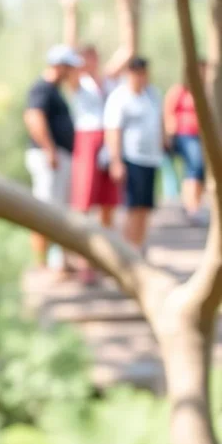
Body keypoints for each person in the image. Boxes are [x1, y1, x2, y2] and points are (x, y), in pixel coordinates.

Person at [69, 44, 128, 284]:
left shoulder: (111, 83)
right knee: (83, 204)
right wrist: (70, 11)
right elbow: (68, 49)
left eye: (94, 57)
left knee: (108, 204)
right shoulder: (78, 84)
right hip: (87, 139)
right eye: (86, 58)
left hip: (109, 141)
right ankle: (83, 261)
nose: (91, 62)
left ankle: (107, 259)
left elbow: (127, 50)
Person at [24, 44, 82, 279]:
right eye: (69, 67)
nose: (71, 72)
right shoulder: (42, 89)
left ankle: (59, 262)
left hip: (58, 157)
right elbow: (33, 117)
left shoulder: (55, 90)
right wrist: (49, 149)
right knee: (44, 209)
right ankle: (40, 263)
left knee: (58, 210)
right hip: (49, 157)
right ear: (59, 66)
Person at [104, 57, 164, 251]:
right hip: (131, 158)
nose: (140, 77)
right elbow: (113, 130)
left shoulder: (152, 94)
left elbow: (159, 121)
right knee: (132, 207)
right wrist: (116, 161)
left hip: (151, 158)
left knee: (145, 207)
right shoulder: (120, 97)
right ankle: (128, 251)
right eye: (136, 73)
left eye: (143, 73)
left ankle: (139, 247)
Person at [164, 59, 208, 225]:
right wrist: (169, 136)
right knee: (194, 166)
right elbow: (168, 112)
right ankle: (191, 206)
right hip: (184, 134)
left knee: (198, 170)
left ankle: (195, 204)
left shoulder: (206, 91)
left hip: (200, 136)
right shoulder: (179, 91)